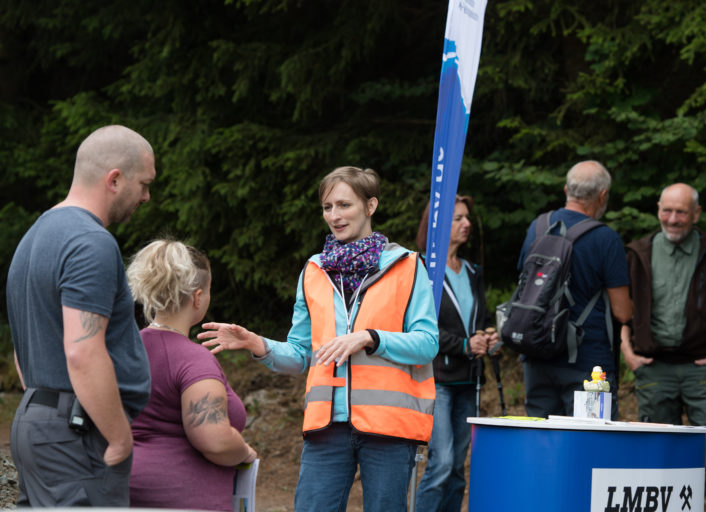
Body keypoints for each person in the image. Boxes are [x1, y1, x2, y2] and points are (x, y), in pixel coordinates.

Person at [198, 166, 439, 512]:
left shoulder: (408, 266)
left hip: (390, 426)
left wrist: (370, 338)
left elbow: (427, 343)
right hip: (326, 426)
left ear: (370, 206)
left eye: (344, 205)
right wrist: (258, 345)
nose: (334, 216)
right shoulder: (313, 271)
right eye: (327, 207)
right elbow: (300, 355)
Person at [6, 125, 155, 506]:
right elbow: (83, 351)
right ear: (115, 179)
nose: (146, 196)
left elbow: (26, 351)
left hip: (39, 422)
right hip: (78, 435)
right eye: (143, 183)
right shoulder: (90, 242)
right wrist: (120, 437)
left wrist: (47, 414)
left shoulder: (36, 236)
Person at [621, 183, 706, 512]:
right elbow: (620, 311)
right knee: (655, 460)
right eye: (667, 210)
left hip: (703, 371)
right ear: (657, 209)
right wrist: (629, 355)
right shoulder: (639, 252)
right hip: (653, 370)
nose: (673, 219)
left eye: (681, 212)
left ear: (696, 214)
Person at [125, 239, 258, 510]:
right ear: (198, 297)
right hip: (185, 497)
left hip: (120, 489)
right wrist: (243, 451)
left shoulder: (124, 349)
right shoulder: (193, 359)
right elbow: (214, 439)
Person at [517, 160, 632, 419]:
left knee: (543, 445)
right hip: (589, 365)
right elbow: (622, 312)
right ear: (602, 196)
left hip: (537, 356)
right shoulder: (606, 239)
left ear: (566, 189)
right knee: (589, 446)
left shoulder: (536, 227)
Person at [413, 195, 499, 512]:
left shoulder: (472, 271)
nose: (467, 224)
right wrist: (464, 345)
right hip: (436, 379)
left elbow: (483, 320)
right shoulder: (421, 268)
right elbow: (419, 327)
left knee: (458, 468)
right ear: (437, 225)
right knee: (442, 462)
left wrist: (489, 335)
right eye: (458, 218)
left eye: (466, 218)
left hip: (470, 378)